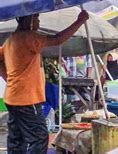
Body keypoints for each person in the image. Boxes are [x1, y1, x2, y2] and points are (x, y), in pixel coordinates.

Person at [0, 11, 89, 153]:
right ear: (28, 19)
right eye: (36, 18)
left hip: (12, 97)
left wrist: (9, 78)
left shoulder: (12, 39)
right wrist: (79, 21)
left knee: (16, 139)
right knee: (39, 137)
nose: (38, 22)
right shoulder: (28, 37)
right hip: (26, 99)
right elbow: (57, 39)